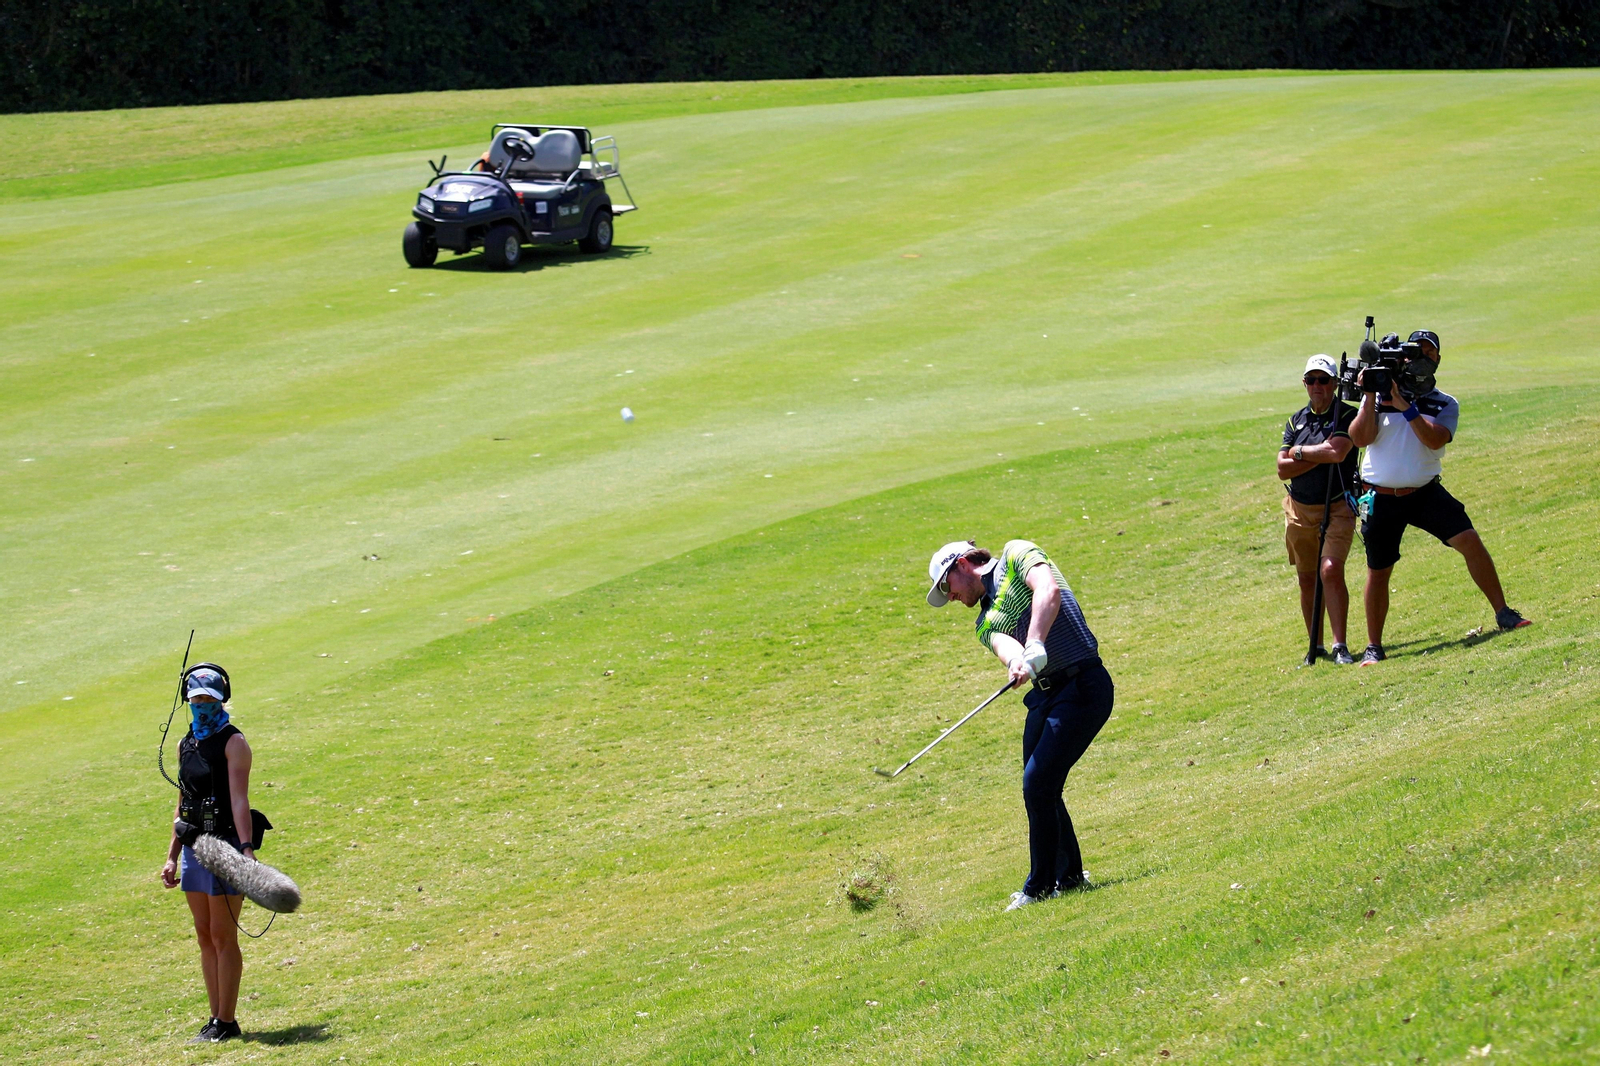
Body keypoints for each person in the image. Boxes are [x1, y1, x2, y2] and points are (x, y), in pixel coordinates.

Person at [925, 539, 1112, 911]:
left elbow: (1047, 588)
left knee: (1038, 784)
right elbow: (1002, 644)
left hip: (1084, 685)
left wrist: (1036, 642)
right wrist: (1016, 662)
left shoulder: (1016, 554)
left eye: (947, 587)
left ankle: (1039, 887)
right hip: (1044, 697)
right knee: (1039, 787)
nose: (951, 598)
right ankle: (1069, 876)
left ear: (963, 564)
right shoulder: (984, 621)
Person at [1347, 329, 1531, 666]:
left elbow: (1434, 440)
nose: (1421, 357)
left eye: (1429, 352)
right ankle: (1375, 645)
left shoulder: (1444, 402)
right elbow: (1360, 439)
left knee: (1470, 541)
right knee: (1378, 570)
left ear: (1437, 360)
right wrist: (1372, 396)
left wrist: (1404, 406)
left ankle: (1503, 612)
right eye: (1416, 352)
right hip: (1381, 497)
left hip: (1424, 493)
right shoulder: (1375, 397)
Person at [158, 665, 256, 1043]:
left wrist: (246, 851)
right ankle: (214, 1019)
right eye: (195, 699)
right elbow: (182, 804)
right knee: (204, 935)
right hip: (194, 846)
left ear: (221, 699)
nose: (201, 706)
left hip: (226, 848)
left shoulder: (234, 743)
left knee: (223, 935)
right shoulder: (186, 743)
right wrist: (171, 855)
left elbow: (239, 800)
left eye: (208, 699)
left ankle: (228, 1021)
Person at [1276, 354, 1360, 664]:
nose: (1317, 386)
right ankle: (1317, 645)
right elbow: (1282, 469)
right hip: (1299, 510)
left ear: (1335, 383)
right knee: (1307, 578)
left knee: (1330, 570)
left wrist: (1298, 453)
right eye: (1311, 380)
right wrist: (1313, 454)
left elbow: (1337, 452)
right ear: (1304, 384)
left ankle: (1340, 645)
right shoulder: (1296, 420)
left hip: (1337, 506)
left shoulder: (1346, 416)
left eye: (1323, 380)